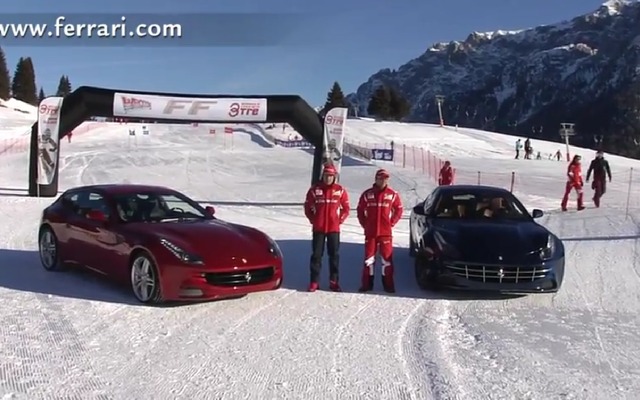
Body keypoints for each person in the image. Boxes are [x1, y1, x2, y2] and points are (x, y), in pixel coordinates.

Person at [303, 164, 350, 292]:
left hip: (333, 229)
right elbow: (307, 207)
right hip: (319, 229)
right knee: (316, 256)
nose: (328, 178)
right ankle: (314, 282)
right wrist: (313, 219)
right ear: (322, 176)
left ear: (334, 177)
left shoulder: (340, 190)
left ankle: (334, 281)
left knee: (334, 256)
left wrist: (339, 220)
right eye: (326, 176)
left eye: (330, 176)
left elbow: (346, 209)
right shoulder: (315, 190)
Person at [356, 168, 403, 293]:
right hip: (371, 233)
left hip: (385, 233)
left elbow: (399, 209)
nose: (383, 181)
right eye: (381, 178)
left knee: (387, 260)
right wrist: (365, 224)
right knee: (368, 260)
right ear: (376, 179)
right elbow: (360, 210)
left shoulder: (392, 194)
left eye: (386, 179)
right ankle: (367, 284)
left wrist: (391, 222)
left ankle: (388, 285)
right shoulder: (367, 194)